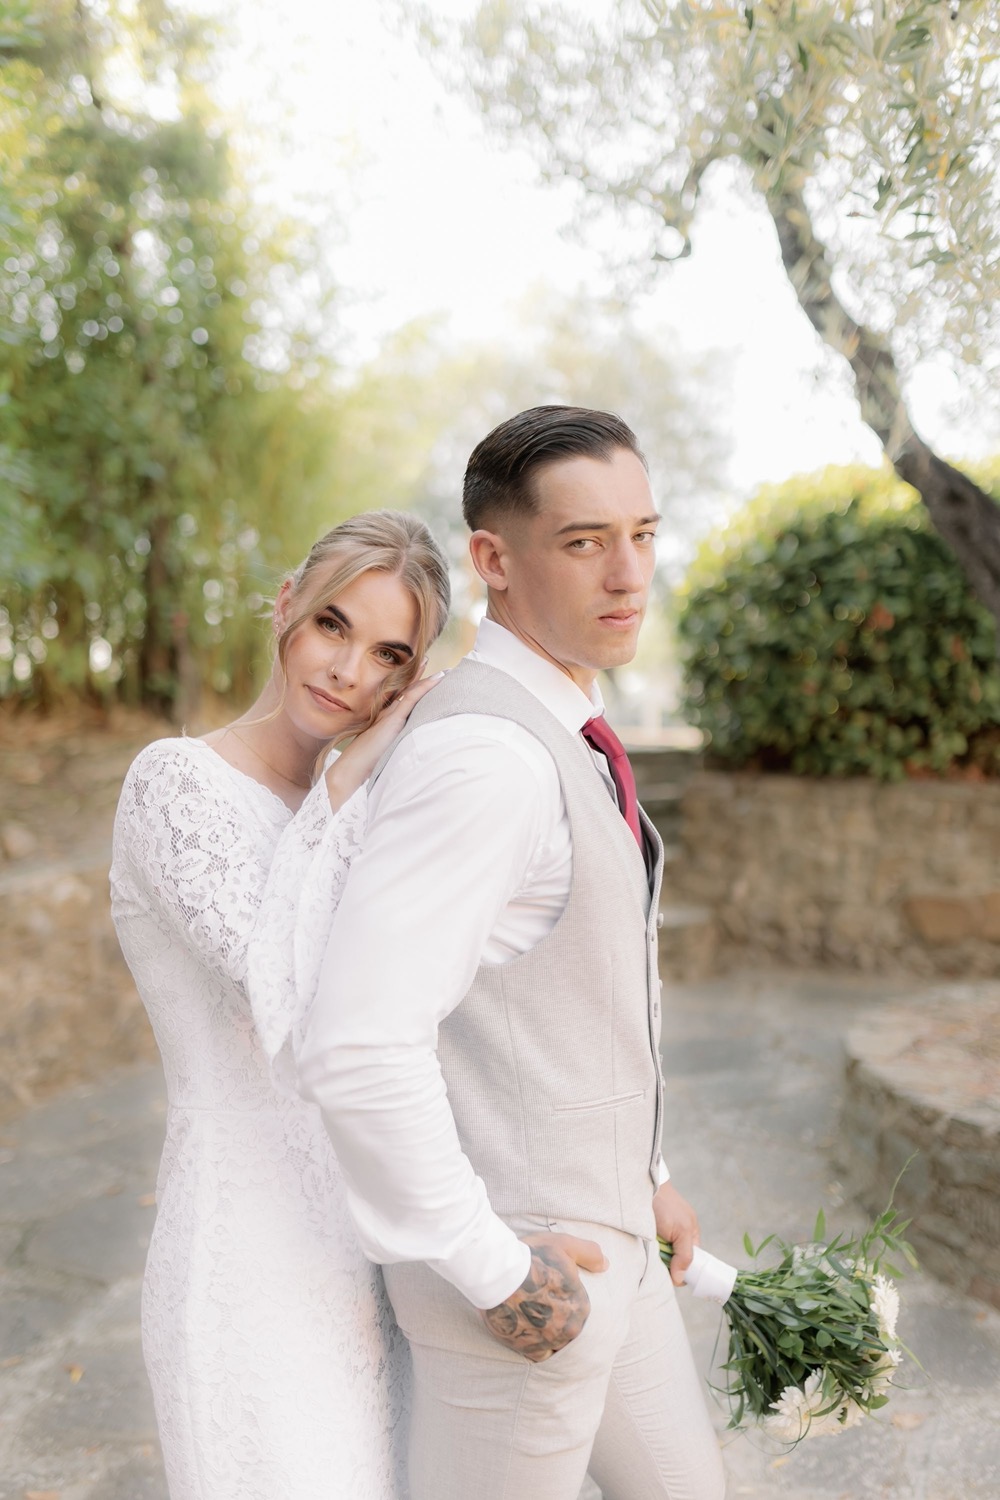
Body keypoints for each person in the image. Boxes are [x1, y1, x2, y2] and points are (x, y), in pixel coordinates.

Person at [290, 407, 728, 1500]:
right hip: (522, 1291)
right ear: (494, 559)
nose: (629, 574)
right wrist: (499, 1276)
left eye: (643, 534)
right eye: (584, 542)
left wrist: (646, 1175)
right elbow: (357, 1042)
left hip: (610, 1244)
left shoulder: (557, 727)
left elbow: (572, 987)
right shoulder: (486, 758)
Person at [109, 510, 451, 1500]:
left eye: (388, 654)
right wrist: (354, 777)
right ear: (286, 605)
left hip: (371, 1250)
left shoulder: (366, 815)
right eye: (334, 624)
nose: (348, 671)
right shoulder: (176, 783)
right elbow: (284, 992)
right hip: (244, 1252)